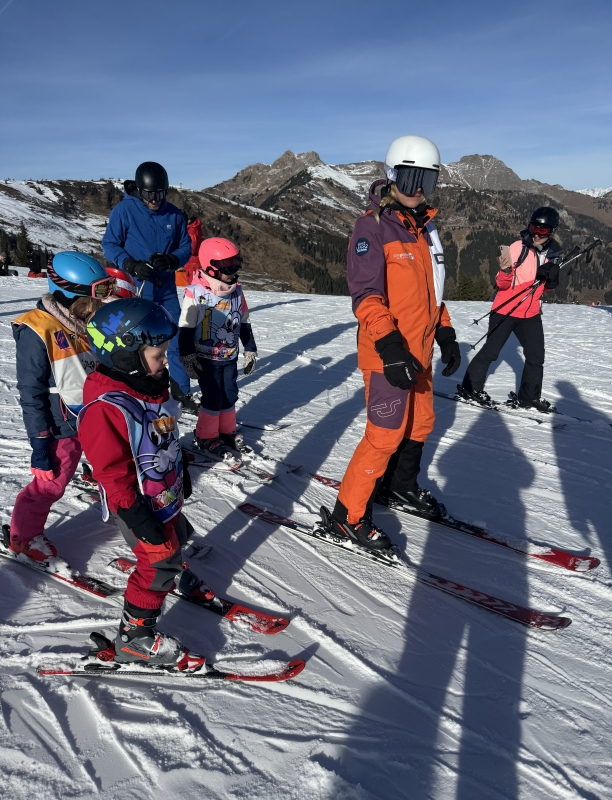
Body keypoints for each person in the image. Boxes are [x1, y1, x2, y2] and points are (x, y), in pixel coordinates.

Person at [321, 136, 461, 551]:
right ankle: (348, 515)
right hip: (389, 354)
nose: (417, 188)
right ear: (391, 176)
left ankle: (399, 488)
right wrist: (389, 344)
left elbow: (432, 293)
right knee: (384, 434)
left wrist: (445, 331)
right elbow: (365, 296)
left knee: (420, 424)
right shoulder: (373, 227)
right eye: (409, 177)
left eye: (427, 180)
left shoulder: (427, 229)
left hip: (420, 351)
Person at [79, 298, 210, 669]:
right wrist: (136, 517)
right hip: (135, 505)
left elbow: (162, 434)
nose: (165, 361)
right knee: (158, 562)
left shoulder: (149, 384)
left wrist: (180, 469)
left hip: (161, 493)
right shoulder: (106, 406)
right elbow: (110, 471)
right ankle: (135, 639)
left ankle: (171, 569)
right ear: (127, 356)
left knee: (178, 535)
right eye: (158, 354)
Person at [6, 252, 114, 561]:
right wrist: (40, 444)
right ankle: (23, 537)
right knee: (50, 484)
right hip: (61, 426)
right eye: (94, 299)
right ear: (69, 295)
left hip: (95, 417)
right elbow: (31, 392)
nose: (99, 306)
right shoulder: (36, 330)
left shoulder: (86, 322)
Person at [101, 161, 199, 411]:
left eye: (159, 194)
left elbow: (186, 247)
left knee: (173, 336)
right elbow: (110, 244)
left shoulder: (174, 214)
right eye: (148, 194)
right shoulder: (124, 211)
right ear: (139, 191)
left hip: (164, 286)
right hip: (136, 287)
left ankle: (180, 390)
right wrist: (131, 264)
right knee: (135, 339)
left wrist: (172, 259)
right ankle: (134, 388)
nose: (154, 200)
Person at [459, 207, 562, 413]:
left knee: (536, 357)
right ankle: (470, 388)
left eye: (542, 231)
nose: (536, 234)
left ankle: (529, 398)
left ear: (551, 232)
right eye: (534, 228)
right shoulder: (518, 248)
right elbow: (501, 284)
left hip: (530, 313)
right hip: (506, 309)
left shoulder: (553, 255)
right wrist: (506, 271)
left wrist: (551, 280)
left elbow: (547, 289)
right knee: (491, 352)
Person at [177, 237, 257, 461]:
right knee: (212, 397)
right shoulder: (196, 293)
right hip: (206, 358)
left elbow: (243, 322)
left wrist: (249, 348)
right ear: (210, 268)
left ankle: (226, 432)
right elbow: (185, 327)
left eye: (235, 266)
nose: (233, 272)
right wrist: (187, 355)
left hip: (229, 357)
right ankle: (206, 436)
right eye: (228, 268)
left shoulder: (236, 292)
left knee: (229, 394)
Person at [175, 214, 203, 287]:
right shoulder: (193, 228)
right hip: (193, 262)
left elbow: (190, 250)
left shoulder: (191, 232)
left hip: (192, 263)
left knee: (192, 286)